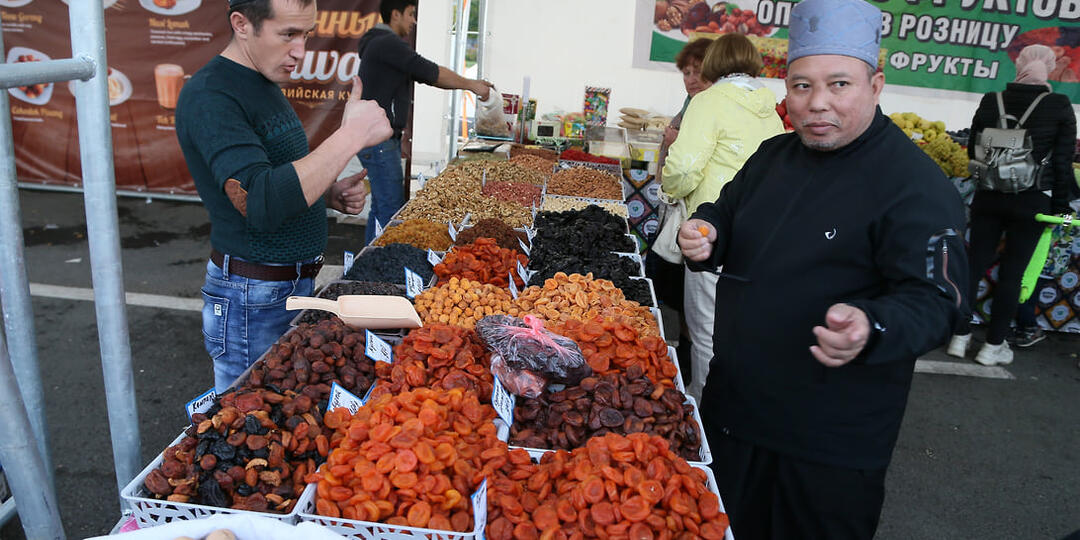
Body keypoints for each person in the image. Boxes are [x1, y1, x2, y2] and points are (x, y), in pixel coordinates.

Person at [676, 0, 968, 537]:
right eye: (802, 86)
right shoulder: (772, 155)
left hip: (828, 443)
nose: (817, 104)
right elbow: (726, 213)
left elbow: (937, 299)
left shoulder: (914, 184)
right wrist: (707, 233)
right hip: (734, 412)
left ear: (875, 86)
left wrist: (871, 326)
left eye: (839, 85)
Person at [176, 0, 392, 392]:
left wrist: (325, 195)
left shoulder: (261, 81)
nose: (300, 51)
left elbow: (274, 178)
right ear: (242, 25)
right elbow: (258, 201)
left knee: (284, 412)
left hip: (284, 287)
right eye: (288, 34)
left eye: (306, 34)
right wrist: (351, 136)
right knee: (247, 417)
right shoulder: (212, 95)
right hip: (252, 297)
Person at [659, 33, 784, 401]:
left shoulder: (708, 101)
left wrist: (669, 189)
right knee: (741, 330)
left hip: (711, 232)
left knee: (705, 331)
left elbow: (683, 167)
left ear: (714, 62)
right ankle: (736, 405)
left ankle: (703, 413)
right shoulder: (769, 108)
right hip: (760, 235)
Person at [946, 44, 1076, 366]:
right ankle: (993, 346)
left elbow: (972, 149)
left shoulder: (992, 100)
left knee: (973, 265)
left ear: (1019, 65)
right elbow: (1062, 164)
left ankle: (958, 337)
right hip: (1032, 202)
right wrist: (1061, 208)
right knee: (1012, 274)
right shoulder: (1059, 105)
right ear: (1048, 67)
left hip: (988, 196)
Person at [356, 0, 494, 244]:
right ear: (395, 14)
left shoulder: (380, 44)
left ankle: (370, 263)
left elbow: (428, 76)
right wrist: (473, 85)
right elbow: (433, 72)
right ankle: (377, 267)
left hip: (378, 139)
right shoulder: (387, 44)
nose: (414, 21)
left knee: (382, 206)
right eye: (411, 14)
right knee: (389, 209)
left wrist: (471, 85)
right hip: (378, 140)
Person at [647, 37, 712, 370]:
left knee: (688, 297)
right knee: (674, 288)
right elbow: (664, 173)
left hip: (698, 217)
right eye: (686, 72)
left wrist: (675, 142)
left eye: (697, 72)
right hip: (678, 211)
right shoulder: (688, 107)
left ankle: (683, 361)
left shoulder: (707, 111)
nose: (690, 79)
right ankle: (677, 352)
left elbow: (684, 171)